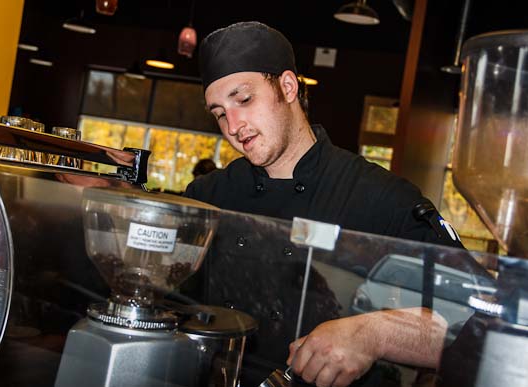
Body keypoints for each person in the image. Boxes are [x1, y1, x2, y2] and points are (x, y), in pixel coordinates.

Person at [183, 21, 465, 387]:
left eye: (244, 99)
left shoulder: (380, 198)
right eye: (219, 113)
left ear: (287, 87)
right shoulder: (208, 196)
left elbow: (478, 325)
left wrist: (373, 334)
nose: (234, 125)